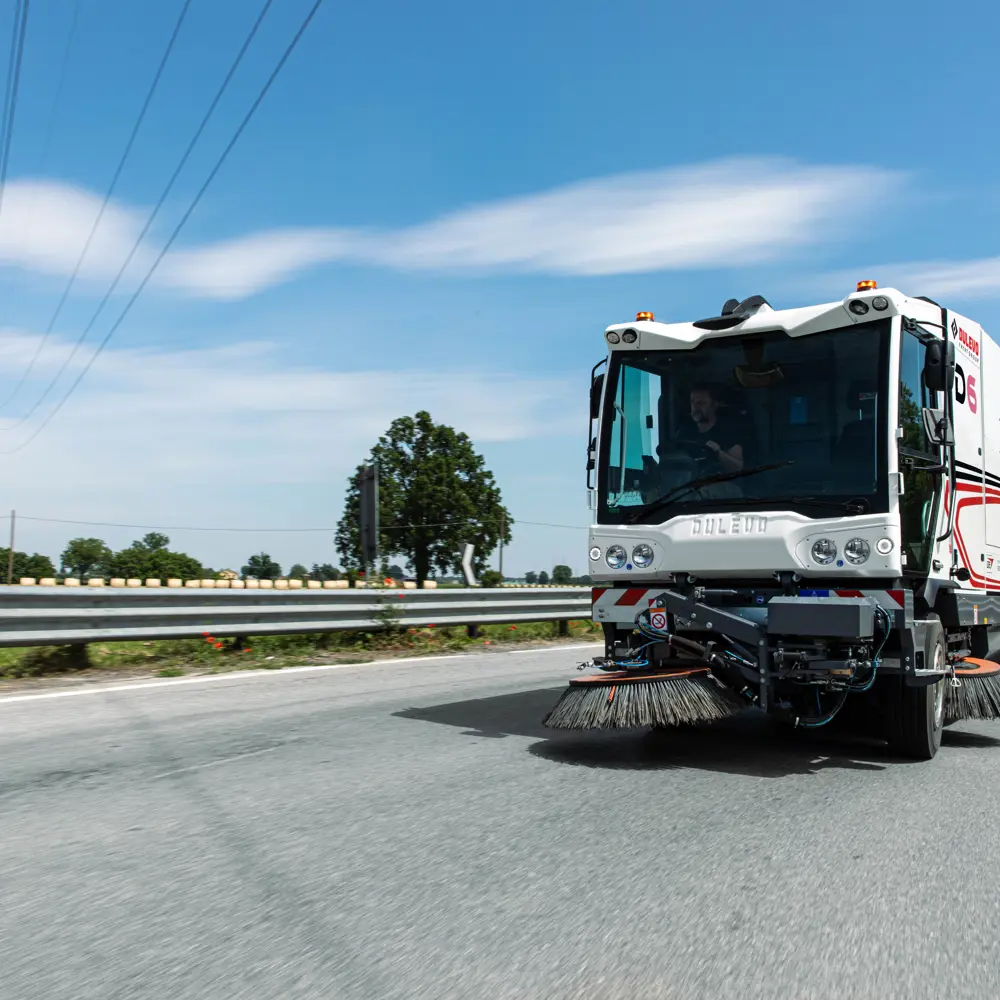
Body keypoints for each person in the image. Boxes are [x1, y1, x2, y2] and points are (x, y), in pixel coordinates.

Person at [675, 384, 745, 476]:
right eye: (693, 402)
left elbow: (738, 467)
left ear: (714, 405)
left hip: (720, 483)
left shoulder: (727, 430)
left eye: (701, 403)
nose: (696, 407)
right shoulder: (684, 431)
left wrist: (718, 453)